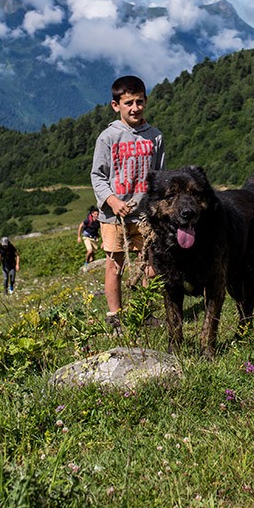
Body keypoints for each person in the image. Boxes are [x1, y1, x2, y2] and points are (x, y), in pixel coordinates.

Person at [90, 75, 164, 329]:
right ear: (116, 105)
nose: (135, 108)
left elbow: (159, 176)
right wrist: (111, 200)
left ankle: (145, 312)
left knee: (149, 267)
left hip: (144, 216)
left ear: (145, 101)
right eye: (128, 103)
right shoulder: (108, 137)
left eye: (139, 102)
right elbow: (97, 175)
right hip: (114, 217)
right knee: (115, 266)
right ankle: (115, 316)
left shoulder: (155, 137)